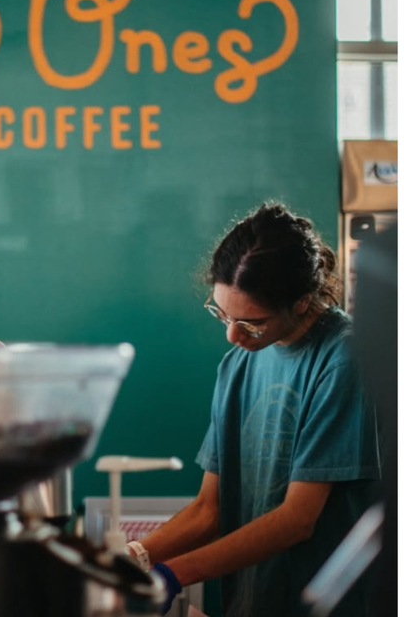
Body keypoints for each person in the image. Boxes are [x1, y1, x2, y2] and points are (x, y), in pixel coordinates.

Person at [127, 202, 381, 617]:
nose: (232, 335)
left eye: (251, 323)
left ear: (300, 302)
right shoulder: (240, 363)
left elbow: (298, 518)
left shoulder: (343, 359)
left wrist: (171, 575)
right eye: (222, 313)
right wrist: (131, 558)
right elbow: (210, 508)